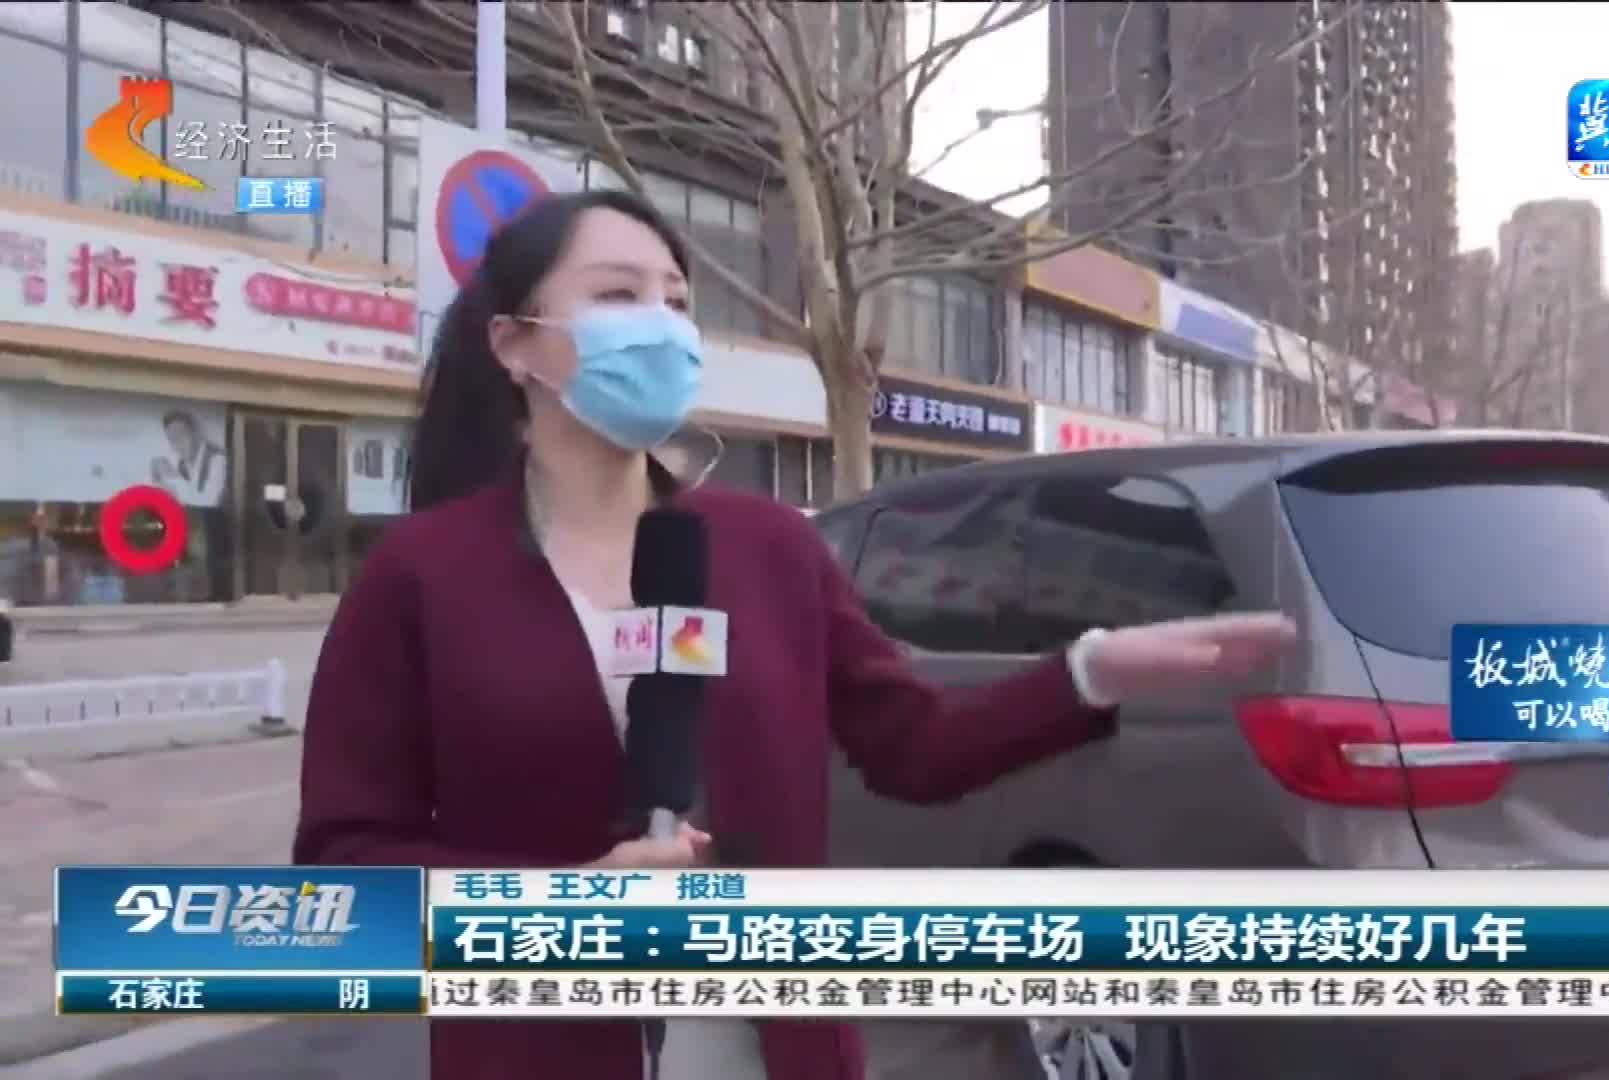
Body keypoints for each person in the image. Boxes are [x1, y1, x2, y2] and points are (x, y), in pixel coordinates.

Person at [292, 189, 1295, 1080]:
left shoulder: (767, 547)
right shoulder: (420, 575)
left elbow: (915, 747)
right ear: (515, 345)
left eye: (676, 301)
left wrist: (1090, 672)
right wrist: (553, 908)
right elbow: (346, 864)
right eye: (618, 296)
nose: (661, 326)